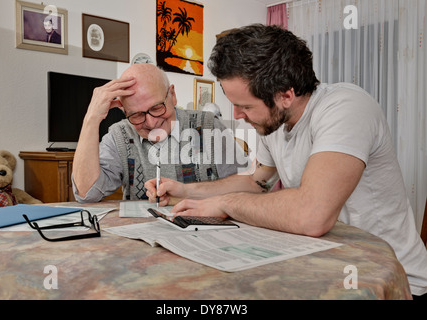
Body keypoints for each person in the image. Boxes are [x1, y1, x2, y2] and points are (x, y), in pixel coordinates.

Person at [144, 24, 427, 298]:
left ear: (285, 95)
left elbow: (311, 215)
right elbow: (255, 182)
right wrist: (185, 190)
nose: (238, 115)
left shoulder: (346, 108)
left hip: (391, 280)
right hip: (323, 267)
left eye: (245, 106)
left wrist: (225, 203)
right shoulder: (274, 122)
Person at [72, 63, 247, 203]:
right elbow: (86, 193)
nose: (151, 123)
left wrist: (190, 194)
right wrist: (91, 119)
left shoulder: (209, 126)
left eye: (156, 108)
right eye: (136, 115)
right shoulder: (120, 134)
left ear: (172, 95)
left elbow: (246, 189)